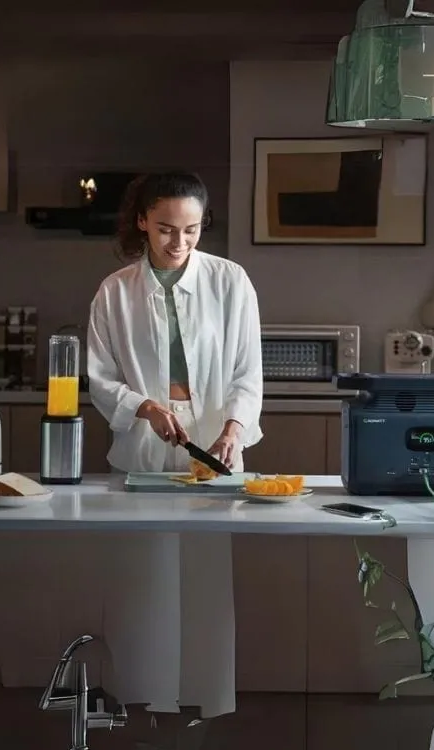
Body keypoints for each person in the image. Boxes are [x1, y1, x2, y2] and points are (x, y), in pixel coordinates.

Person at [87, 171, 263, 718]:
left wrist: (234, 428)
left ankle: (203, 706)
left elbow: (247, 372)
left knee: (205, 579)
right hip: (144, 441)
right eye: (165, 229)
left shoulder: (230, 282)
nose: (178, 242)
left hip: (213, 443)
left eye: (191, 230)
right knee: (143, 579)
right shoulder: (115, 291)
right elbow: (100, 378)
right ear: (142, 221)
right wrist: (145, 407)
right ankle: (143, 703)